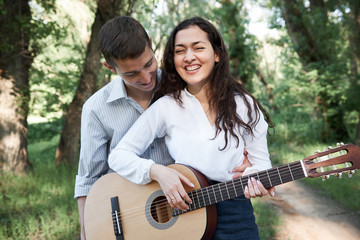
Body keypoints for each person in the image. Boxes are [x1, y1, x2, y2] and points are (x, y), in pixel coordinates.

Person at [74, 16, 263, 240]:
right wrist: (87, 231)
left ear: (151, 45)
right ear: (110, 67)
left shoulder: (182, 84)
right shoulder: (96, 108)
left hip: (190, 209)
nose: (146, 78)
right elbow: (88, 177)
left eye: (148, 64)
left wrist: (244, 161)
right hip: (133, 213)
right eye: (131, 74)